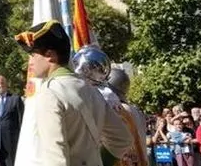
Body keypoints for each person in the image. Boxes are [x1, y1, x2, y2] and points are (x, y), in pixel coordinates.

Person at [15, 20, 131, 165]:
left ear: (50, 55)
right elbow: (122, 139)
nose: (30, 62)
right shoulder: (91, 90)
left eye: (33, 54)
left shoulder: (49, 93)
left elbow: (55, 160)